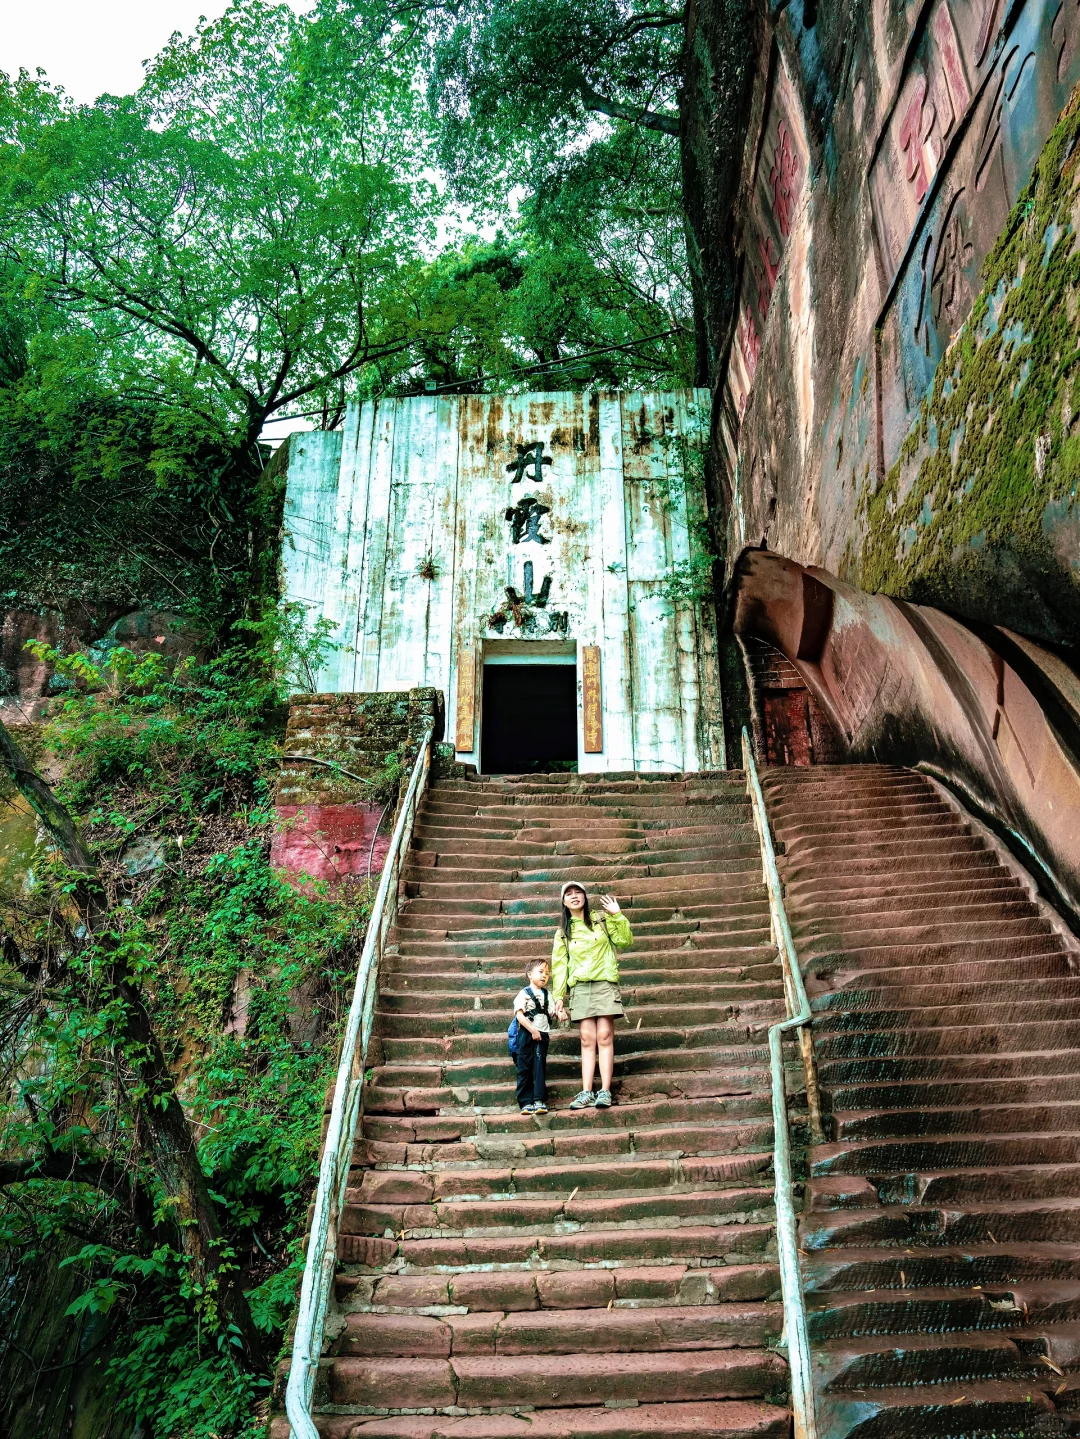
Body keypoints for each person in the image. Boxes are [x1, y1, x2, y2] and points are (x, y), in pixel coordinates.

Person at [551, 882, 633, 1109]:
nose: (574, 896)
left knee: (605, 1035)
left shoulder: (602, 919)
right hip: (580, 987)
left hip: (604, 982)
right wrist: (558, 997)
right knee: (587, 1039)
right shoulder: (563, 933)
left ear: (585, 897)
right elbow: (560, 966)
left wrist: (617, 916)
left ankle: (605, 1091)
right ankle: (586, 1091)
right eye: (569, 894)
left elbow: (625, 941)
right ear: (564, 902)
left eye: (578, 892)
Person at [510, 958, 553, 1114]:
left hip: (542, 1035)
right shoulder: (524, 994)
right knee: (524, 1067)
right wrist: (532, 1030)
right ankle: (525, 1102)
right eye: (540, 972)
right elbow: (520, 1016)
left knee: (539, 1066)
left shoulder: (548, 994)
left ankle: (539, 1100)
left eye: (547, 974)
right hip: (526, 1035)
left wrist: (561, 1013)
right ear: (530, 974)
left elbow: (552, 1011)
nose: (544, 976)